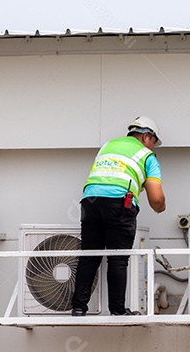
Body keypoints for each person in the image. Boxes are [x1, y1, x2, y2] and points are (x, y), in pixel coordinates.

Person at [71, 116, 166, 316]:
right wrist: (161, 208)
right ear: (147, 137)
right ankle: (117, 310)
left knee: (89, 256)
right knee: (118, 258)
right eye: (154, 143)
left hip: (90, 201)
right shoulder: (147, 156)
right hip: (119, 204)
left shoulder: (108, 146)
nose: (153, 148)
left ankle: (79, 307)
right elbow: (156, 198)